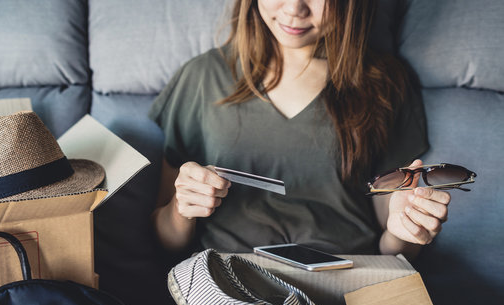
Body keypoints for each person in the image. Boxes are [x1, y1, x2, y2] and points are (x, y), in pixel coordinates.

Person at [149, 0, 451, 260]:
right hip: (229, 278)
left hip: (350, 276)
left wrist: (405, 231)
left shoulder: (384, 83)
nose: (295, 9)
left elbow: (393, 250)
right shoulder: (201, 76)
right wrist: (181, 209)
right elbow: (166, 241)